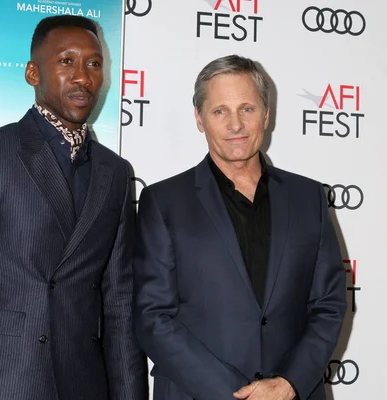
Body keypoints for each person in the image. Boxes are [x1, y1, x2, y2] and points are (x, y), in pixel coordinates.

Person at [0, 15, 147, 400]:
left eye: (94, 64)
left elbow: (119, 301)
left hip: (85, 384)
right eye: (66, 61)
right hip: (1, 382)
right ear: (32, 73)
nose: (82, 77)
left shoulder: (114, 171)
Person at [133, 55, 347, 400]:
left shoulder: (309, 197)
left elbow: (329, 304)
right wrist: (236, 394)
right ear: (199, 119)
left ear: (266, 114)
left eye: (247, 109)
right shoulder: (163, 201)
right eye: (220, 111)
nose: (236, 124)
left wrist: (289, 384)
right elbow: (152, 317)